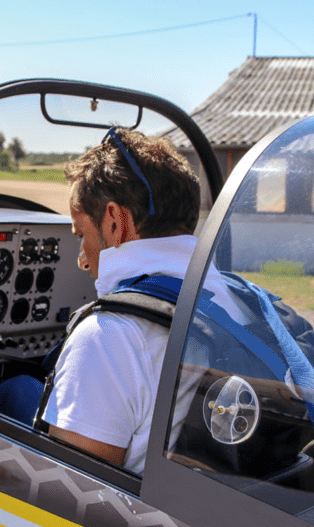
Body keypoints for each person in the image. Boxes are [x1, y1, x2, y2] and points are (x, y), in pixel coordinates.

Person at [37, 127, 247, 475]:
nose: (83, 260)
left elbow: (69, 490)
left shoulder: (109, 336)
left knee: (13, 392)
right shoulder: (234, 295)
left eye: (81, 234)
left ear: (115, 222)